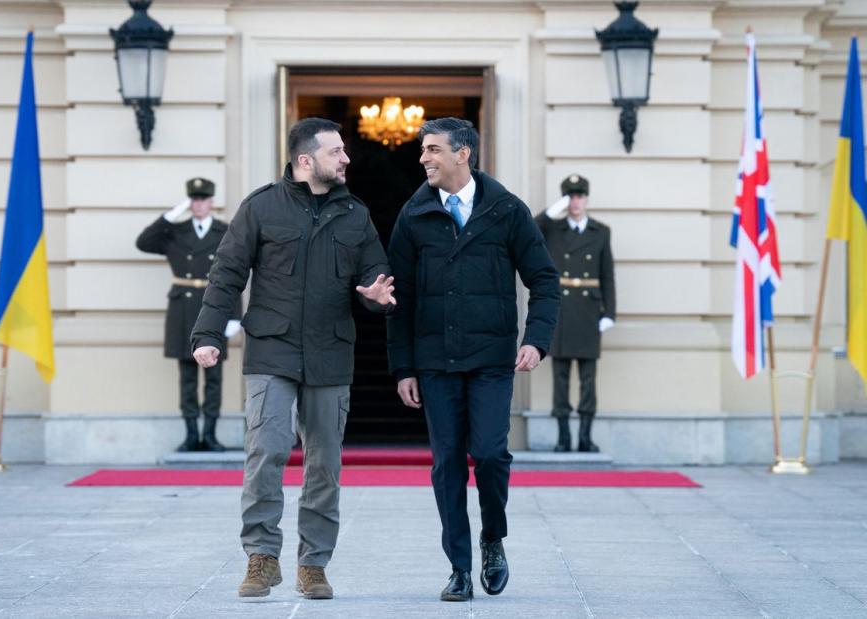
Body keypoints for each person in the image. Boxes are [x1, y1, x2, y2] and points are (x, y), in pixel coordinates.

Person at [191, 118, 395, 600]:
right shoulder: (261, 207)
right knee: (268, 450)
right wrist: (207, 332)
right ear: (306, 160)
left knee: (324, 464)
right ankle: (261, 557)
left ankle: (313, 564)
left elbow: (375, 275)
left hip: (330, 354)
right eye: (336, 152)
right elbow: (227, 274)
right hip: (271, 350)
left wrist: (375, 295)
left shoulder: (356, 214)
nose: (346, 159)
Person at [386, 117, 560, 602]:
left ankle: (493, 538)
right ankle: (459, 567)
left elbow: (545, 281)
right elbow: (398, 298)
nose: (424, 158)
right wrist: (404, 367)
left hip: (491, 359)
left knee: (488, 454)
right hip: (435, 362)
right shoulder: (413, 215)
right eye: (423, 150)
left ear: (463, 154)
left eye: (434, 150)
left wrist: (536, 340)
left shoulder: (507, 210)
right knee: (446, 465)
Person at [135, 177, 241, 452]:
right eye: (193, 199)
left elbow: (236, 274)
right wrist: (171, 215)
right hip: (183, 310)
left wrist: (235, 317)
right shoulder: (175, 231)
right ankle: (191, 435)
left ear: (211, 202)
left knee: (214, 379)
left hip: (214, 308)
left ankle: (211, 435)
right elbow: (144, 242)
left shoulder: (224, 231)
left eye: (203, 199)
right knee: (188, 379)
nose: (198, 204)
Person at [534, 174, 616, 452]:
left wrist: (610, 313)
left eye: (580, 196)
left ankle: (585, 436)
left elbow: (607, 275)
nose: (576, 202)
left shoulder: (600, 231)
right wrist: (550, 212)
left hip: (589, 311)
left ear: (587, 199)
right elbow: (531, 229)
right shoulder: (554, 229)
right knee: (560, 378)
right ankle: (563, 437)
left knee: (588, 380)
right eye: (571, 197)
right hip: (563, 309)